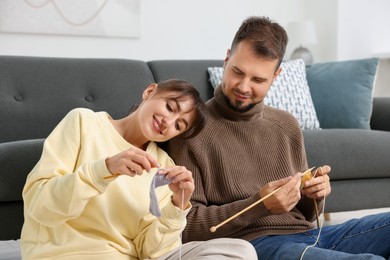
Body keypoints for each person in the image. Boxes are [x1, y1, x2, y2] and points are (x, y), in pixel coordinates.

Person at [167, 17, 390, 260]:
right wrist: (259, 205)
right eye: (237, 72)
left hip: (308, 237)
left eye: (258, 79)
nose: (243, 86)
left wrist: (315, 195)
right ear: (227, 58)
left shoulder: (286, 125)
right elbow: (184, 226)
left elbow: (307, 215)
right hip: (253, 246)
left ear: (276, 76)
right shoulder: (190, 130)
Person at [20, 79, 257, 260]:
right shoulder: (84, 123)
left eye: (179, 125)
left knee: (240, 251)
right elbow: (40, 206)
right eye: (170, 107)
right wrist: (103, 169)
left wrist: (177, 206)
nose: (168, 122)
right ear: (149, 91)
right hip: (66, 254)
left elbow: (153, 253)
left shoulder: (164, 166)